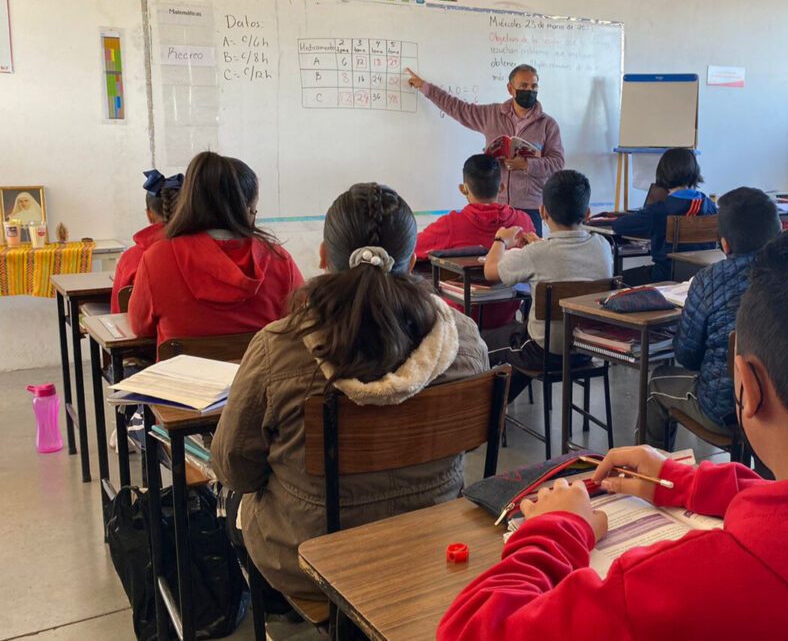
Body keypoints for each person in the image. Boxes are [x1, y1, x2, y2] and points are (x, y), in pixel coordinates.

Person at [440, 226, 788, 640]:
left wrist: (554, 530)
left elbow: (471, 632)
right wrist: (685, 483)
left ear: (748, 386)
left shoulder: (688, 588)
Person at [211, 183, 488, 601]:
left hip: (313, 561)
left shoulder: (278, 345)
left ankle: (276, 610)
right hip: (437, 542)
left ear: (323, 257)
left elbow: (235, 469)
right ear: (414, 261)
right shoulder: (462, 340)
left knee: (236, 503)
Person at [644, 187, 781, 450]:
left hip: (726, 410)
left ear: (724, 243)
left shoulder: (710, 279)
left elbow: (687, 355)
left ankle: (650, 478)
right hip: (787, 410)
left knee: (657, 381)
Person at [127, 151, 305, 346]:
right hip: (257, 375)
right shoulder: (278, 258)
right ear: (247, 210)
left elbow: (140, 327)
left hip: (181, 376)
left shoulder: (157, 258)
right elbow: (301, 325)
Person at [483, 170, 612, 402]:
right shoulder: (603, 246)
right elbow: (568, 257)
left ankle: (487, 416)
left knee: (484, 341)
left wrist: (500, 239)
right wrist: (541, 244)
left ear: (542, 211)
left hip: (543, 353)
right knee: (518, 343)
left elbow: (490, 272)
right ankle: (499, 409)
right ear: (588, 213)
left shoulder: (535, 254)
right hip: (587, 350)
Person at [408, 64, 564, 235]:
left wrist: (526, 165)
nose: (530, 91)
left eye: (534, 86)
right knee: (492, 256)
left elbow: (557, 163)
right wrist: (426, 88)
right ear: (510, 89)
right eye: (524, 86)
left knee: (527, 258)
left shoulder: (547, 124)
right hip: (494, 206)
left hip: (529, 208)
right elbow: (458, 108)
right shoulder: (492, 114)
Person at [416, 154, 534, 332]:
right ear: (501, 187)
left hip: (461, 323)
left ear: (463, 189)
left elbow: (411, 249)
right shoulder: (523, 222)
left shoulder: (451, 224)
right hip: (507, 318)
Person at [611, 148, 717, 285]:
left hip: (664, 278)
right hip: (703, 279)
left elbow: (619, 225)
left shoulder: (659, 211)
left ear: (663, 173)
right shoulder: (711, 207)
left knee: (618, 279)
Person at [111, 169, 183, 312]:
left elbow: (117, 312)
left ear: (149, 215)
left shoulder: (132, 258)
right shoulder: (205, 252)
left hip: (147, 332)